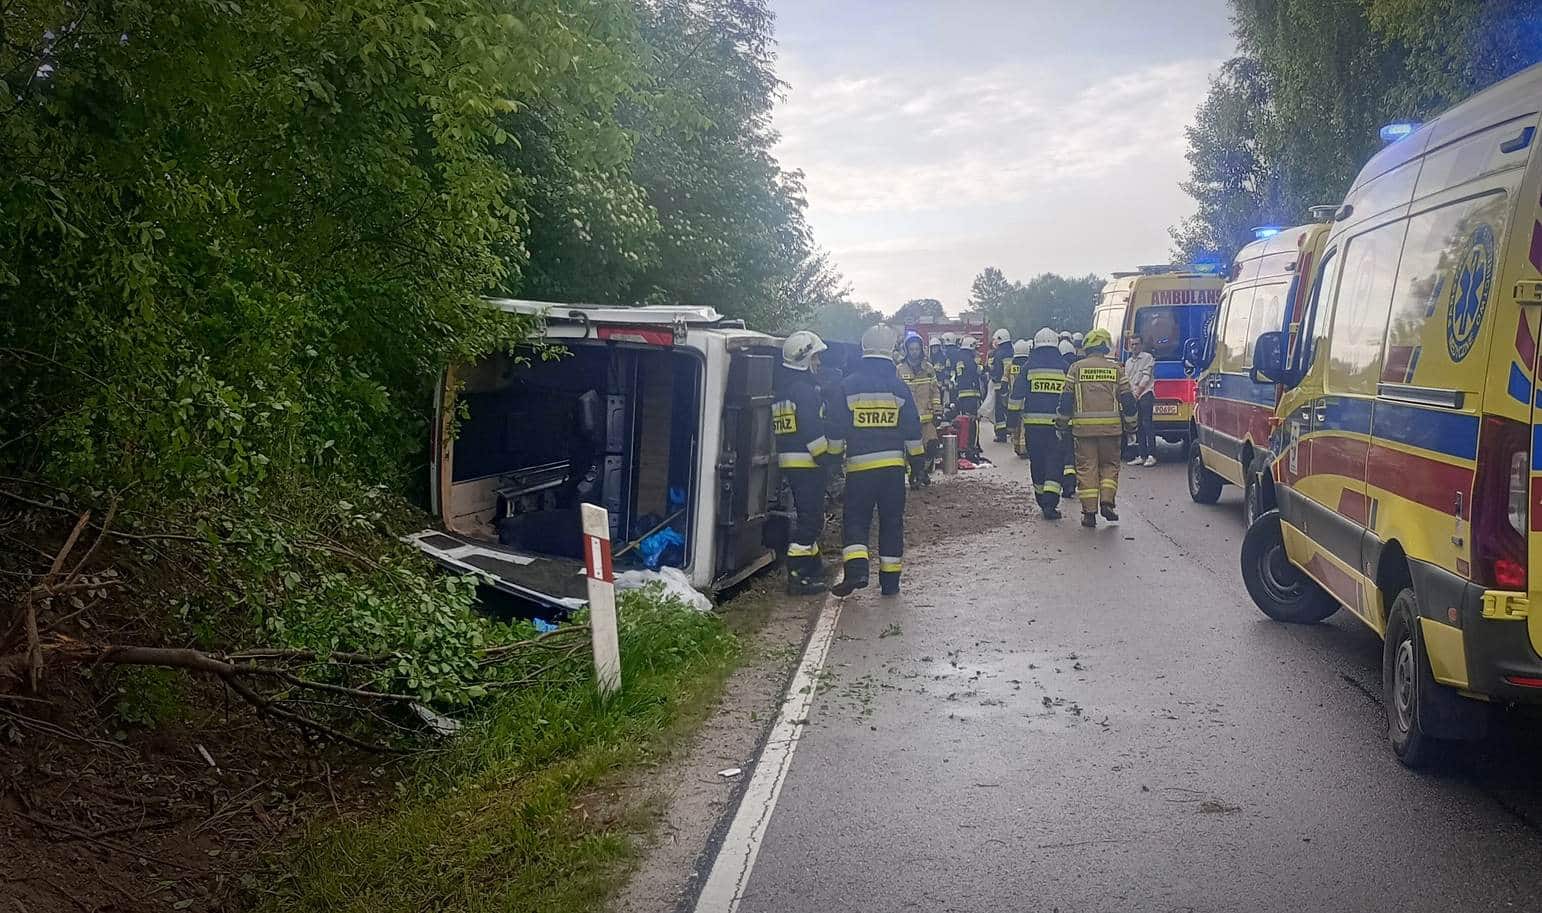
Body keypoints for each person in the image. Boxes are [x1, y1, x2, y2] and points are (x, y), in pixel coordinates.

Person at [828, 325, 924, 597]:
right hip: (893, 471)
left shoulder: (847, 386)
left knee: (856, 519)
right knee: (892, 522)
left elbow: (836, 428)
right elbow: (913, 430)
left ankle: (857, 571)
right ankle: (890, 582)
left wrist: (833, 460)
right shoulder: (898, 387)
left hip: (860, 469)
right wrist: (918, 467)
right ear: (891, 352)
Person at [1056, 328, 1138, 528]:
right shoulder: (1116, 369)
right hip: (1111, 430)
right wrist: (1131, 424)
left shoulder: (1075, 368)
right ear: (1105, 347)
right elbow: (1128, 400)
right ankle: (1107, 501)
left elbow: (1066, 399)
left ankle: (1089, 513)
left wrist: (1061, 422)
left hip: (1083, 432)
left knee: (1087, 469)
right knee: (1109, 466)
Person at [774, 331, 835, 594]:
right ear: (803, 360)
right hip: (808, 463)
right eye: (815, 358)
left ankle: (812, 566)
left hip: (792, 462)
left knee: (810, 516)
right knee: (810, 521)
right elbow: (812, 430)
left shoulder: (783, 390)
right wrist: (828, 460)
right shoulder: (804, 390)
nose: (818, 363)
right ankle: (798, 577)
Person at [1010, 328, 1071, 519]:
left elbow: (1016, 397)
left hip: (1033, 427)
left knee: (1037, 462)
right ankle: (1050, 503)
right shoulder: (1064, 367)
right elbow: (1070, 397)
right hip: (1057, 427)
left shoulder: (1028, 367)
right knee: (1055, 462)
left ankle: (1040, 496)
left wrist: (1011, 424)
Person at [896, 331, 942, 488]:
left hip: (927, 416)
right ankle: (915, 475)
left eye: (917, 349)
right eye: (912, 349)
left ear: (921, 349)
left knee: (931, 446)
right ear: (907, 350)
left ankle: (923, 471)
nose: (914, 352)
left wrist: (937, 409)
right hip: (908, 418)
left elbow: (935, 390)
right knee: (912, 451)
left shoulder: (928, 368)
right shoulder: (900, 369)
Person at [1125, 334, 1157, 467]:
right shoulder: (1128, 362)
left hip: (1145, 394)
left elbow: (1146, 376)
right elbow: (1127, 379)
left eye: (1137, 344)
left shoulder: (1147, 358)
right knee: (1137, 425)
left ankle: (1152, 455)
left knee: (1147, 424)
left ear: (1141, 345)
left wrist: (1137, 392)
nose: (1134, 347)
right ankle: (1141, 455)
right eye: (1132, 344)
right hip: (1134, 395)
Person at [953, 335, 984, 459]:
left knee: (965, 421)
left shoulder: (959, 358)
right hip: (971, 394)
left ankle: (964, 444)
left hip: (962, 394)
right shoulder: (969, 359)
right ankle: (972, 445)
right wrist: (980, 367)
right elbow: (976, 371)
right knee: (973, 421)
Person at [988, 328, 1014, 443]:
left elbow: (998, 371)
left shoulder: (999, 354)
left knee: (999, 411)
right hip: (1012, 386)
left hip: (1000, 385)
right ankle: (1012, 432)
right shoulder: (1012, 351)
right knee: (1010, 409)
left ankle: (1001, 435)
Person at [1008, 339, 1032, 459]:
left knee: (1016, 424)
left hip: (1012, 398)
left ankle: (1017, 446)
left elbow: (1003, 381)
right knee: (1024, 425)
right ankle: (1024, 448)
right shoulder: (1028, 366)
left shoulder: (1010, 366)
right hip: (1025, 399)